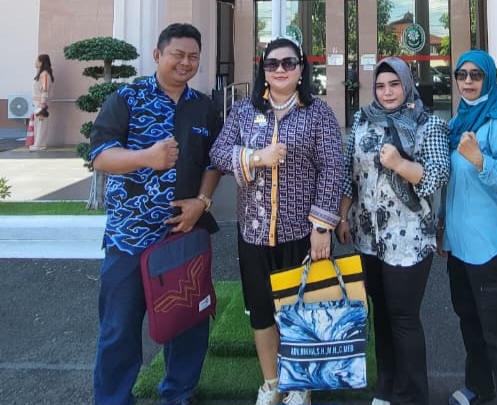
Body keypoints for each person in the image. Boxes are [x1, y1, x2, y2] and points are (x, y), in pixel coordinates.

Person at [90, 23, 222, 405]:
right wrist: (146, 157)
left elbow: (216, 161)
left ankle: (179, 393)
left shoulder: (204, 106)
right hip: (130, 236)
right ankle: (113, 398)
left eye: (193, 56)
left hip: (183, 233)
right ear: (158, 55)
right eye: (177, 54)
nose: (185, 62)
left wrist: (202, 201)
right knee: (119, 326)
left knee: (188, 320)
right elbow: (100, 157)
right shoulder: (126, 98)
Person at [209, 36, 343, 405]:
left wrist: (322, 227)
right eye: (272, 64)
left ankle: (300, 383)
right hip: (253, 233)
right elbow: (218, 153)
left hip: (302, 233)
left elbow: (333, 169)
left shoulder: (318, 113)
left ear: (301, 70)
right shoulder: (243, 110)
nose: (280, 69)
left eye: (288, 63)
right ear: (263, 71)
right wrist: (255, 157)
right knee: (262, 311)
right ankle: (272, 382)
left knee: (302, 310)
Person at [335, 57, 450, 405]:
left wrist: (400, 164)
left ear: (407, 84)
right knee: (381, 314)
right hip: (368, 236)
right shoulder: (362, 119)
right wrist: (343, 217)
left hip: (409, 237)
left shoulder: (428, 124)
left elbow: (436, 176)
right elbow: (349, 172)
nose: (387, 92)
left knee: (403, 317)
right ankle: (386, 387)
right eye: (381, 86)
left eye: (394, 84)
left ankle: (411, 395)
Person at [437, 50, 497, 405]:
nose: (467, 81)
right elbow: (452, 184)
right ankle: (480, 386)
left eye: (476, 75)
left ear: (488, 78)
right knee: (471, 322)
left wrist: (481, 161)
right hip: (459, 246)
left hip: (493, 247)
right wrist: (442, 225)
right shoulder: (458, 122)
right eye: (461, 75)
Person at [29, 54, 54, 151]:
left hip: (41, 104)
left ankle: (40, 145)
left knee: (41, 124)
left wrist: (43, 103)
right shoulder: (42, 74)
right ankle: (37, 144)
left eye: (37, 60)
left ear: (41, 62)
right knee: (38, 124)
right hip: (38, 103)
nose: (35, 62)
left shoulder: (44, 74)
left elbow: (45, 89)